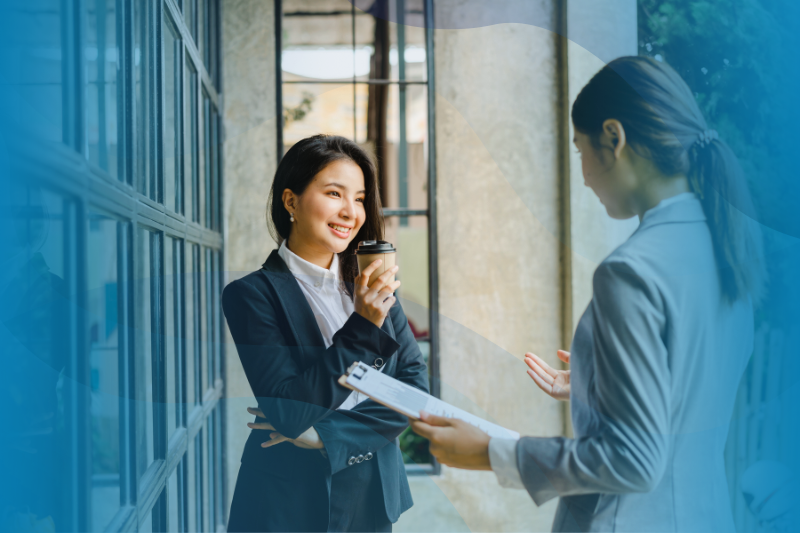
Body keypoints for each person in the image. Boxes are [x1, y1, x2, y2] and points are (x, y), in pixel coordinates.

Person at [410, 56, 765, 532]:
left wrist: (492, 453)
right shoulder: (727, 248)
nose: (584, 176)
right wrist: (602, 384)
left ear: (613, 138)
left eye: (580, 151)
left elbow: (634, 461)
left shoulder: (630, 270)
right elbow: (691, 388)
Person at [223, 135, 429, 532]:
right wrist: (363, 327)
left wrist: (325, 437)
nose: (350, 212)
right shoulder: (251, 295)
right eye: (334, 193)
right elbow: (289, 412)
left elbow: (413, 390)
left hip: (372, 495)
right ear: (290, 202)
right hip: (286, 502)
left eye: (360, 198)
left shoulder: (372, 285)